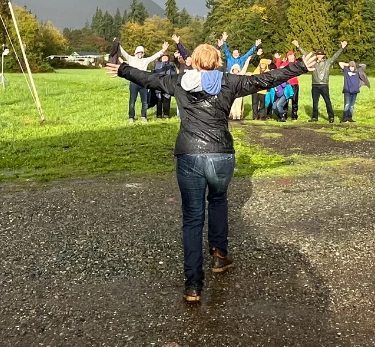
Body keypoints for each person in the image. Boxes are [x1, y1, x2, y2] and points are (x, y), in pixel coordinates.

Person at [106, 44, 315, 303]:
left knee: (193, 218)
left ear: (193, 62)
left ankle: (193, 285)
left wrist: (124, 69)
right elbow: (264, 79)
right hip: (220, 153)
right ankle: (219, 253)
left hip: (189, 154)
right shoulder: (229, 82)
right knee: (218, 201)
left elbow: (149, 79)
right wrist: (300, 67)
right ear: (217, 62)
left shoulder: (178, 81)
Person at [293, 40, 347, 123]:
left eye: (320, 54)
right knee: (315, 102)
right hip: (315, 85)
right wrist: (298, 46)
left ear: (323, 56)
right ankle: (315, 117)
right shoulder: (313, 62)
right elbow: (306, 55)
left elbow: (335, 56)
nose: (319, 56)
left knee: (327, 101)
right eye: (318, 54)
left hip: (324, 85)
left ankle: (331, 117)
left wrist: (342, 48)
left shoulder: (327, 62)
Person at [119, 42, 168, 123]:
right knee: (132, 101)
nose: (140, 54)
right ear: (136, 53)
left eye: (141, 53)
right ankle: (131, 117)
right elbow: (123, 52)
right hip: (133, 83)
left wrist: (163, 50)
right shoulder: (131, 59)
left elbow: (154, 56)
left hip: (143, 83)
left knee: (145, 102)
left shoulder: (145, 60)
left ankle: (143, 116)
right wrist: (117, 44)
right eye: (139, 52)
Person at [273, 50, 301, 120]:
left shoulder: (296, 64)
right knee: (285, 100)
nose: (291, 57)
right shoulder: (284, 64)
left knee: (294, 100)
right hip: (285, 85)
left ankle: (294, 116)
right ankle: (284, 115)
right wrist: (278, 59)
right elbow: (278, 69)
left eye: (292, 56)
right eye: (289, 56)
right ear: (287, 57)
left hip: (294, 84)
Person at [152, 54, 178, 119]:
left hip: (167, 84)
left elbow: (174, 73)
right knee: (159, 99)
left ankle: (166, 114)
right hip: (159, 84)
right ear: (161, 58)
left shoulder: (171, 64)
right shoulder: (157, 64)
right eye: (163, 57)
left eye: (166, 57)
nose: (165, 58)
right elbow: (153, 73)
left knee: (167, 99)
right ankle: (159, 115)